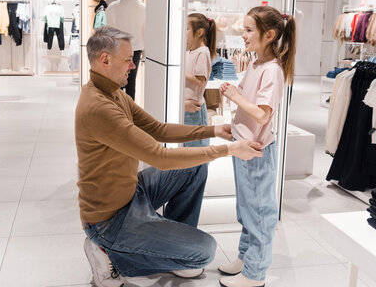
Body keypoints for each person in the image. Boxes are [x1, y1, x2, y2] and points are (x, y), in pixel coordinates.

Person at [75, 26, 264, 287]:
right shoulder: (99, 107)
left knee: (195, 169)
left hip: (132, 192)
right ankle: (111, 256)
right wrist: (228, 150)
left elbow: (158, 129)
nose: (133, 65)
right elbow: (160, 157)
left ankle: (168, 245)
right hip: (109, 220)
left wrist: (213, 130)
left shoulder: (115, 93)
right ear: (105, 60)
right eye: (128, 59)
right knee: (205, 251)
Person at [218, 6, 296, 287]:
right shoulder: (255, 65)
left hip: (257, 152)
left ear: (270, 34)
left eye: (249, 30)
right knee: (247, 209)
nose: (243, 34)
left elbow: (263, 114)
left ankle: (255, 272)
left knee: (260, 213)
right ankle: (245, 258)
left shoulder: (272, 71)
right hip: (244, 147)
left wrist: (235, 96)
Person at [182, 13, 217, 223]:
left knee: (194, 162)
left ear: (200, 31)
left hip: (194, 111)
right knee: (187, 159)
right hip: (186, 110)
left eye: (187, 28)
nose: (185, 32)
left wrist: (178, 70)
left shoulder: (202, 52)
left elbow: (200, 80)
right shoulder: (190, 51)